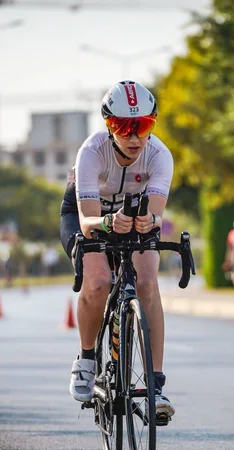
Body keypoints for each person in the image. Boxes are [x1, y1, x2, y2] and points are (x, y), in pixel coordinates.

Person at [60, 80, 175, 419]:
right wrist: (109, 223)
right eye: (122, 127)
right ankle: (85, 359)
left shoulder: (160, 155)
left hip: (132, 215)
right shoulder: (91, 152)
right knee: (98, 281)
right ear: (108, 127)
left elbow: (154, 215)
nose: (133, 136)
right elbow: (87, 223)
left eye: (142, 126)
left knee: (148, 283)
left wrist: (146, 222)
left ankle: (155, 385)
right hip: (89, 217)